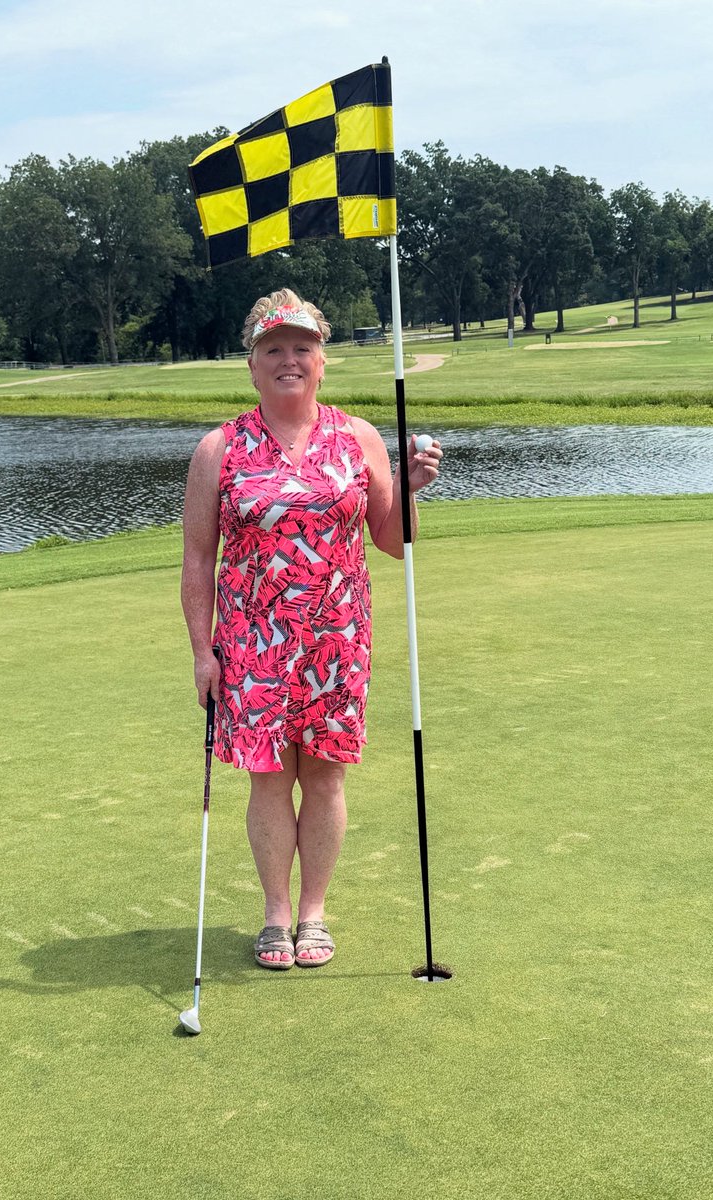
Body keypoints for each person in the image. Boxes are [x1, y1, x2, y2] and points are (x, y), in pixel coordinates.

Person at [181, 288, 442, 970]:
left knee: (325, 779)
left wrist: (410, 488)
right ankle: (273, 916)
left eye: (303, 348)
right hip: (253, 644)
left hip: (337, 638)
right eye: (274, 349)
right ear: (253, 365)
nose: (289, 360)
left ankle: (313, 914)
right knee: (268, 779)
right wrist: (201, 653)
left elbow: (391, 540)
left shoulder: (356, 438)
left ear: (323, 363)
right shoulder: (219, 448)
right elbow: (199, 560)